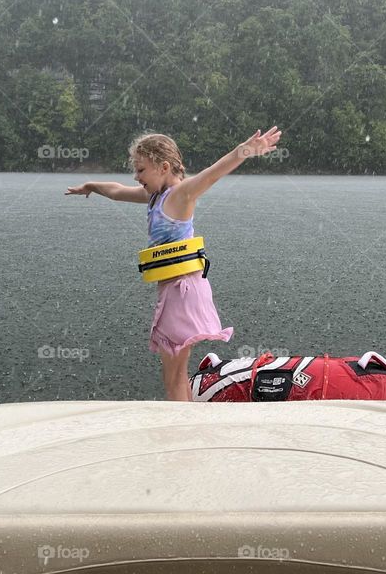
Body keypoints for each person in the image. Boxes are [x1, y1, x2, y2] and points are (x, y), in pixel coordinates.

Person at [65, 127, 282, 401]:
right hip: (175, 290)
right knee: (175, 374)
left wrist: (248, 149)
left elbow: (215, 171)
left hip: (183, 290)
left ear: (163, 166)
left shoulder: (181, 195)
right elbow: (118, 191)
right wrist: (92, 187)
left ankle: (184, 430)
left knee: (174, 376)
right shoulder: (155, 196)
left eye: (141, 170)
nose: (136, 176)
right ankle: (186, 422)